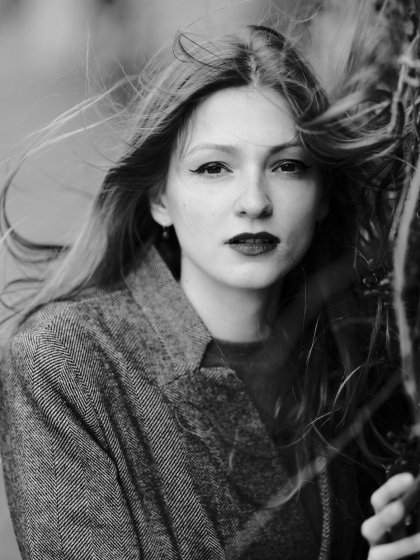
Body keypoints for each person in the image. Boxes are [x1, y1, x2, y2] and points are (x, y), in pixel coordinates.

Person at [0, 23, 419, 560]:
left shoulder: (361, 351)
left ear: (322, 196)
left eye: (288, 166)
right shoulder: (66, 360)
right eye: (214, 168)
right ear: (160, 198)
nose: (254, 201)